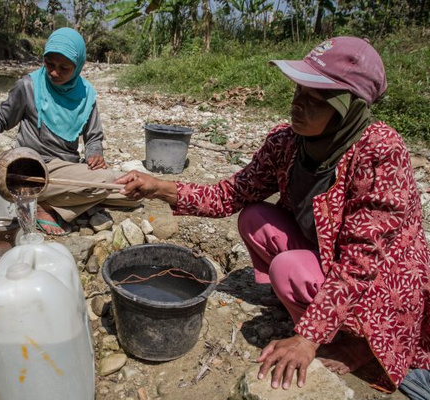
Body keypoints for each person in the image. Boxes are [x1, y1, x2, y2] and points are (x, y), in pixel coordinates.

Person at [115, 36, 430, 394]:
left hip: (379, 280)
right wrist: (159, 187)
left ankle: (355, 343)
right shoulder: (287, 142)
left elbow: (361, 262)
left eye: (314, 101)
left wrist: (307, 339)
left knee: (288, 268)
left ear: (347, 110)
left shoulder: (379, 152)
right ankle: (298, 301)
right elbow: (231, 194)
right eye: (298, 92)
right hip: (326, 254)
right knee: (254, 217)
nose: (297, 106)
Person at [0, 27, 141, 235]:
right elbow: (2, 117)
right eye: (50, 64)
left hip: (66, 167)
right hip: (32, 168)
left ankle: (41, 198)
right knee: (106, 184)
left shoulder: (86, 95)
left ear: (78, 66)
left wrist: (95, 154)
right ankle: (47, 207)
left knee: (134, 192)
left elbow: (93, 137)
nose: (54, 72)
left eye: (64, 68)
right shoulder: (28, 86)